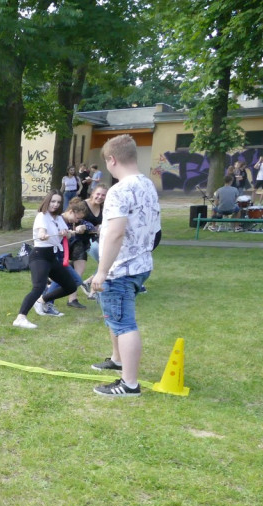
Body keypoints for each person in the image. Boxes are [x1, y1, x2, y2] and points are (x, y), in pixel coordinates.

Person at [90, 134, 161, 396]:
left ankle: (129, 384)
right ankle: (117, 360)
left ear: (111, 159)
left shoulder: (119, 190)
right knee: (115, 317)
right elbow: (155, 231)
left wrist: (102, 271)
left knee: (123, 323)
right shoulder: (148, 185)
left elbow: (115, 233)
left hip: (122, 269)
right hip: (141, 265)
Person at [12, 191, 79, 330]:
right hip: (39, 256)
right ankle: (20, 318)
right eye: (53, 201)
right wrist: (42, 235)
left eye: (58, 202)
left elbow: (68, 235)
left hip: (52, 257)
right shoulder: (42, 216)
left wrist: (66, 233)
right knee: (39, 287)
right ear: (47, 201)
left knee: (71, 286)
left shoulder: (59, 218)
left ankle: (42, 301)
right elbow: (41, 231)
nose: (55, 204)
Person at [38, 198, 91, 311]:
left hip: (61, 258)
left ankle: (45, 300)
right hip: (55, 256)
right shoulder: (58, 219)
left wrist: (70, 233)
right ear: (71, 211)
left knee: (72, 281)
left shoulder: (65, 221)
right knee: (73, 281)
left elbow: (69, 235)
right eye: (77, 218)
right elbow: (47, 235)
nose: (77, 221)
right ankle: (44, 301)